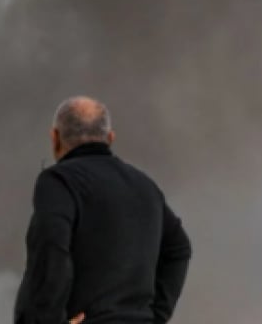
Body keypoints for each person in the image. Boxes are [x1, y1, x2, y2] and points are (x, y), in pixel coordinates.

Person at [15, 96, 192, 324]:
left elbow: (50, 250)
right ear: (110, 138)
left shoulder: (59, 181)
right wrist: (156, 315)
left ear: (56, 138)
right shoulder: (144, 185)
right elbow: (178, 248)